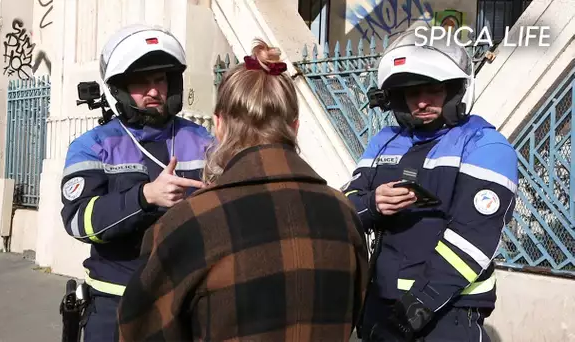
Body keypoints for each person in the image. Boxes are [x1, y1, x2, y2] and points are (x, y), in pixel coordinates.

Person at [116, 39, 369, 342]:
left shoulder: (191, 221)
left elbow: (140, 329)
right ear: (295, 127)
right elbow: (354, 310)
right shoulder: (344, 212)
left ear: (219, 125)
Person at [344, 28, 518, 342]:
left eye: (433, 90)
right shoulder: (384, 142)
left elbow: (471, 240)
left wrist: (412, 313)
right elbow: (344, 207)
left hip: (448, 313)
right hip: (380, 307)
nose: (422, 102)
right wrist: (373, 205)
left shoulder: (485, 145)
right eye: (412, 93)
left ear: (453, 90)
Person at [59, 24, 212, 341]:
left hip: (185, 300)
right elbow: (78, 220)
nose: (155, 90)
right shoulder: (94, 145)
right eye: (142, 82)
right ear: (121, 89)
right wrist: (145, 197)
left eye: (160, 79)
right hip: (114, 304)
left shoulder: (202, 141)